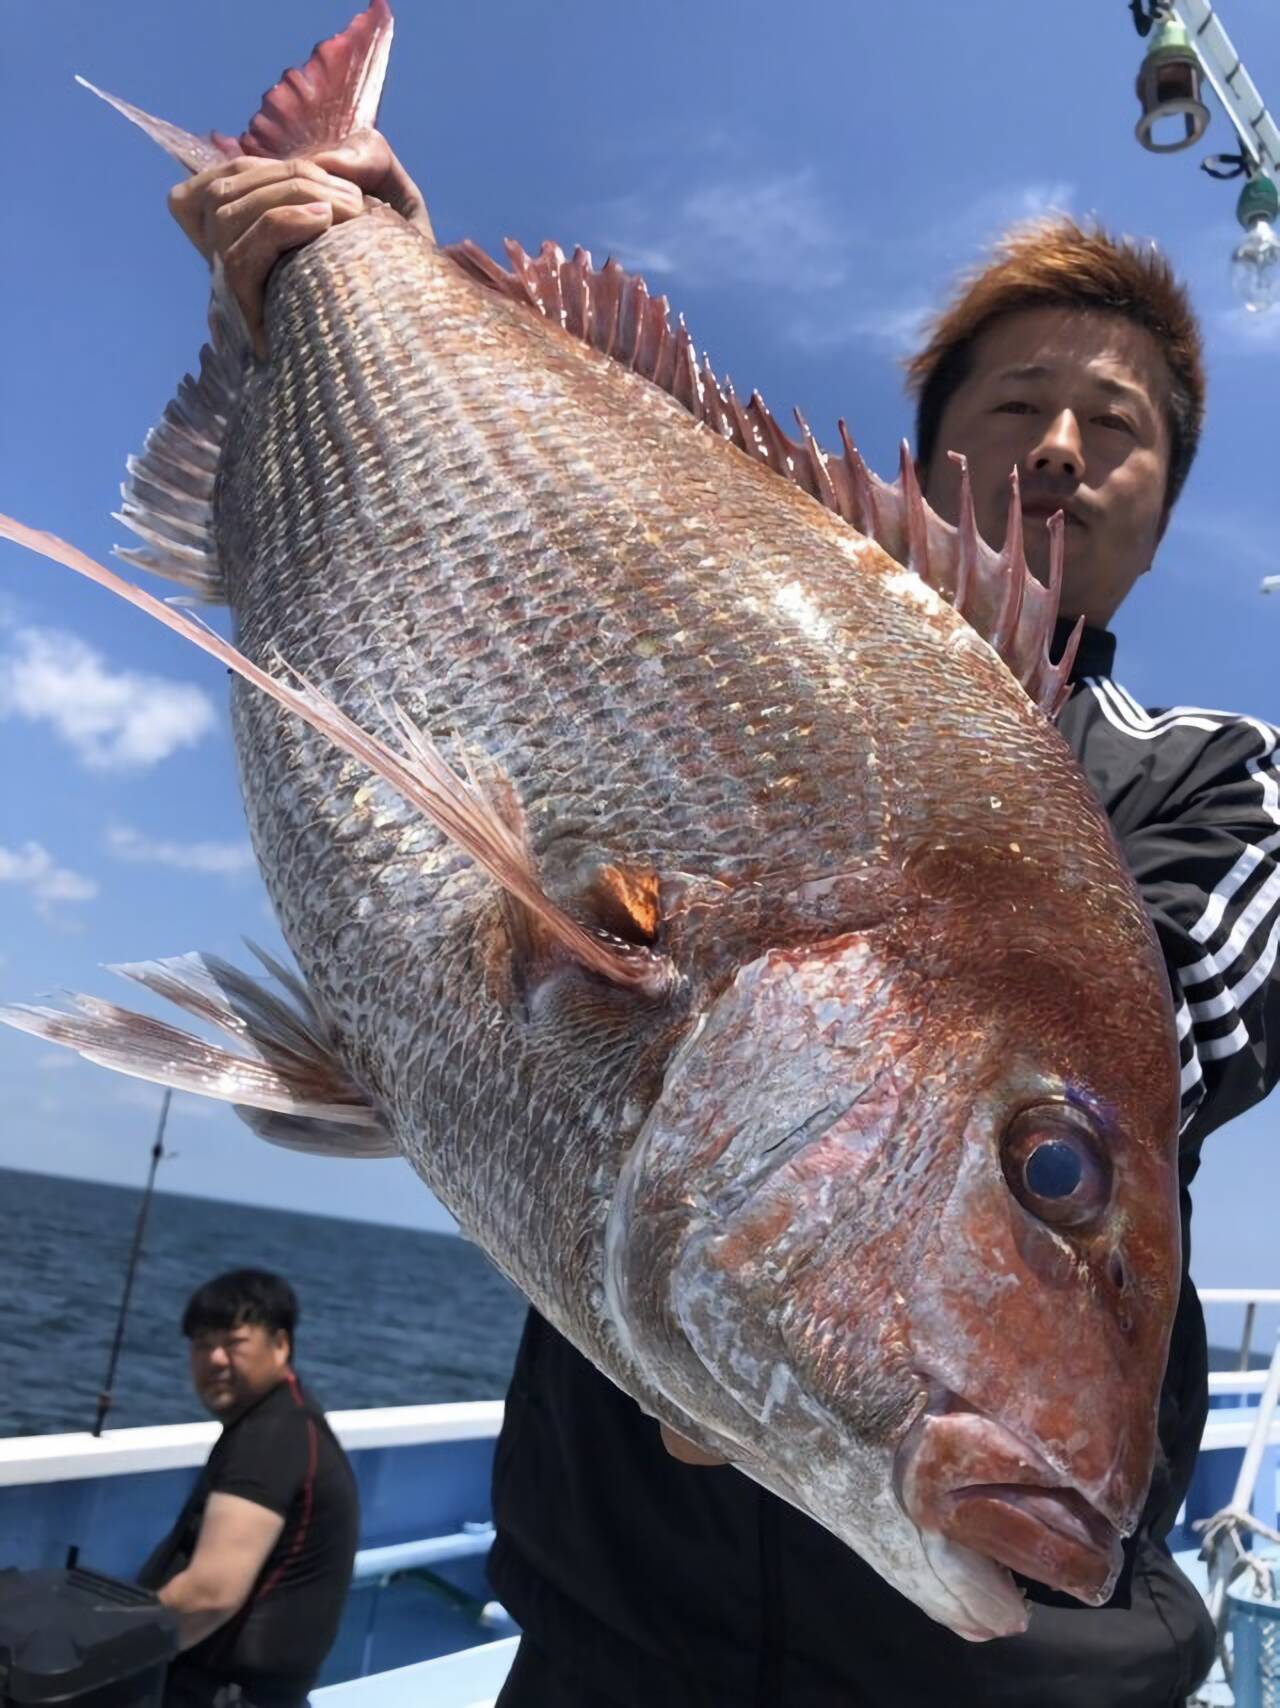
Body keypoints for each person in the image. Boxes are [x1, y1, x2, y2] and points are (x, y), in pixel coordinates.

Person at [169, 144, 1280, 1705]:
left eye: (1126, 429)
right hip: (608, 1635)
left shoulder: (1216, 777)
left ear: (1163, 516)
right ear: (935, 444)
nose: (1065, 447)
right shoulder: (740, 586)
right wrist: (382, 283)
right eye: (1020, 403)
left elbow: (1164, 1022)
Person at [138, 1269, 359, 1708]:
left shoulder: (272, 1439)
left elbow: (209, 1596)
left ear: (281, 1345)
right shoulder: (282, 1421)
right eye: (202, 1344)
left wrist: (96, 1650)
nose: (215, 1359)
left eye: (233, 1342)